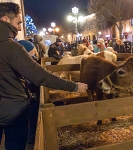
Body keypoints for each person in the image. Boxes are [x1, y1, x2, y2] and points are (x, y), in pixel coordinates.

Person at [0, 2, 87, 150]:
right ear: (5, 20)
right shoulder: (11, 48)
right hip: (14, 113)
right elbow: (40, 76)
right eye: (18, 22)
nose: (20, 27)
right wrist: (74, 86)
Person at [18, 40, 40, 149]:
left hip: (28, 98)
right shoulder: (25, 67)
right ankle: (30, 142)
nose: (34, 55)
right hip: (29, 99)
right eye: (32, 53)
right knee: (31, 121)